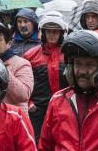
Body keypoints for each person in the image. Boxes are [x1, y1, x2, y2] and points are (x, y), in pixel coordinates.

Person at [23, 11, 66, 141]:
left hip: (64, 108)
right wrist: (29, 104)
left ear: (61, 33)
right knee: (38, 143)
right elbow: (23, 83)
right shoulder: (30, 55)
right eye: (49, 31)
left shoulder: (69, 53)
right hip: (38, 110)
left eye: (55, 31)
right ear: (43, 32)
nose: (52, 35)